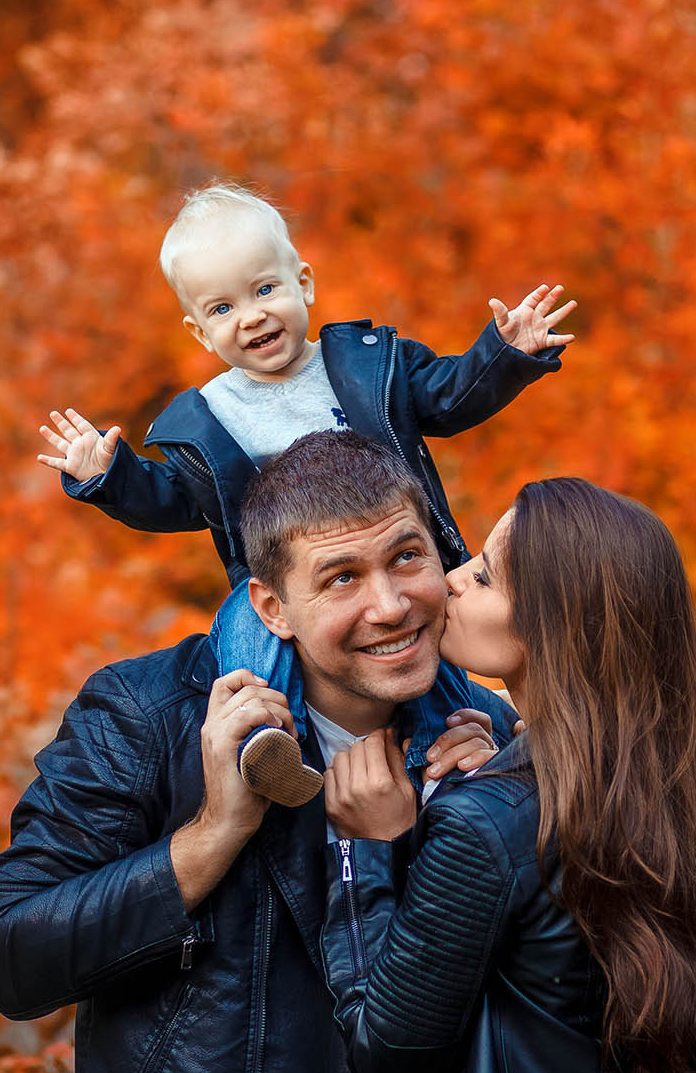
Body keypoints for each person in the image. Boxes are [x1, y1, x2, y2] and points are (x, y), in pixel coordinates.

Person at [0, 432, 519, 1073]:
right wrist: (211, 837)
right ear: (270, 606)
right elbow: (13, 957)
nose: (391, 605)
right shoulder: (148, 715)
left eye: (406, 558)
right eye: (341, 577)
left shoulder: (483, 737)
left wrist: (494, 811)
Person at [317, 478, 696, 1073]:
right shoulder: (664, 784)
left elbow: (387, 1051)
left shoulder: (492, 820)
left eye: (485, 576)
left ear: (558, 625)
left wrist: (368, 849)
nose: (453, 579)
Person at [32, 181, 574, 806]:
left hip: (394, 549)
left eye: (265, 290)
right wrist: (109, 476)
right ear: (199, 333)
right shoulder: (210, 419)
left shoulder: (370, 366)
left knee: (432, 642)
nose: (253, 315)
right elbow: (174, 500)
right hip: (279, 581)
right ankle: (267, 745)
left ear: (304, 284)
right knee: (242, 634)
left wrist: (504, 354)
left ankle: (455, 752)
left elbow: (448, 396)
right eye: (223, 309)